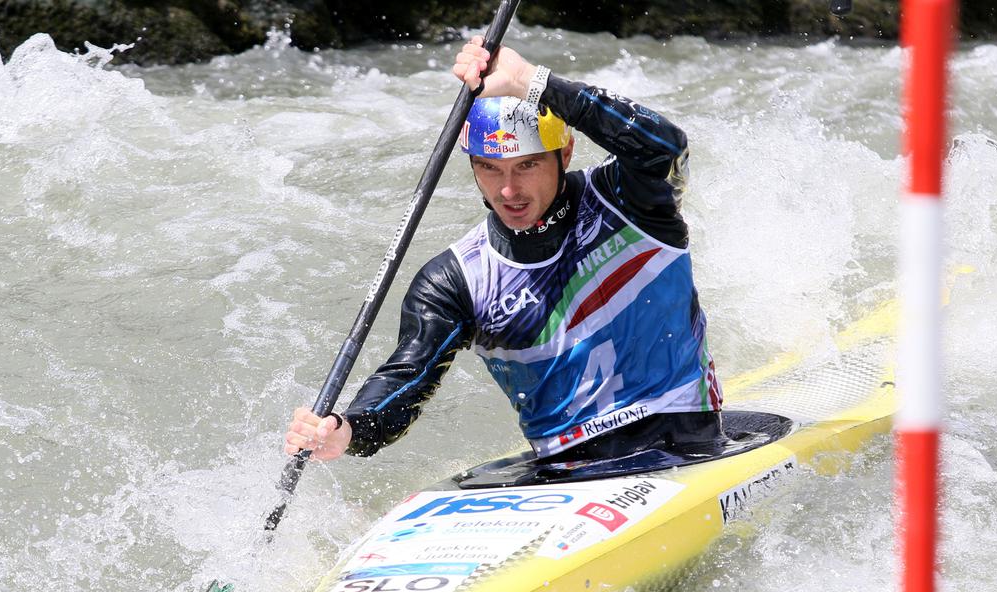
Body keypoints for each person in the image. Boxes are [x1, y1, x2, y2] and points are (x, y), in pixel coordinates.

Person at [284, 37, 722, 464]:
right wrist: (349, 429)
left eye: (527, 164)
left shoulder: (629, 200)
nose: (509, 190)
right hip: (564, 468)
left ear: (564, 152)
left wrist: (529, 80)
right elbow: (407, 377)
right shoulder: (455, 279)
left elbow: (665, 146)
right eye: (489, 168)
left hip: (683, 442)